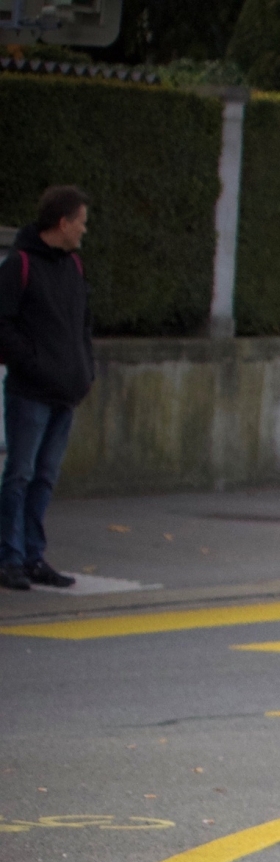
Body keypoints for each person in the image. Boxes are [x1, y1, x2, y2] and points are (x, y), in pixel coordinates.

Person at [0, 185, 92, 591]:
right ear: (63, 222)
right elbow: (2, 324)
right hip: (30, 391)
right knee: (19, 474)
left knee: (45, 477)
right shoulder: (19, 264)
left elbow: (82, 325)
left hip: (64, 391)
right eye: (81, 223)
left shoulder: (73, 267)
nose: (83, 231)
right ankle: (10, 556)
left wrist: (84, 369)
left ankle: (34, 555)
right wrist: (33, 365)